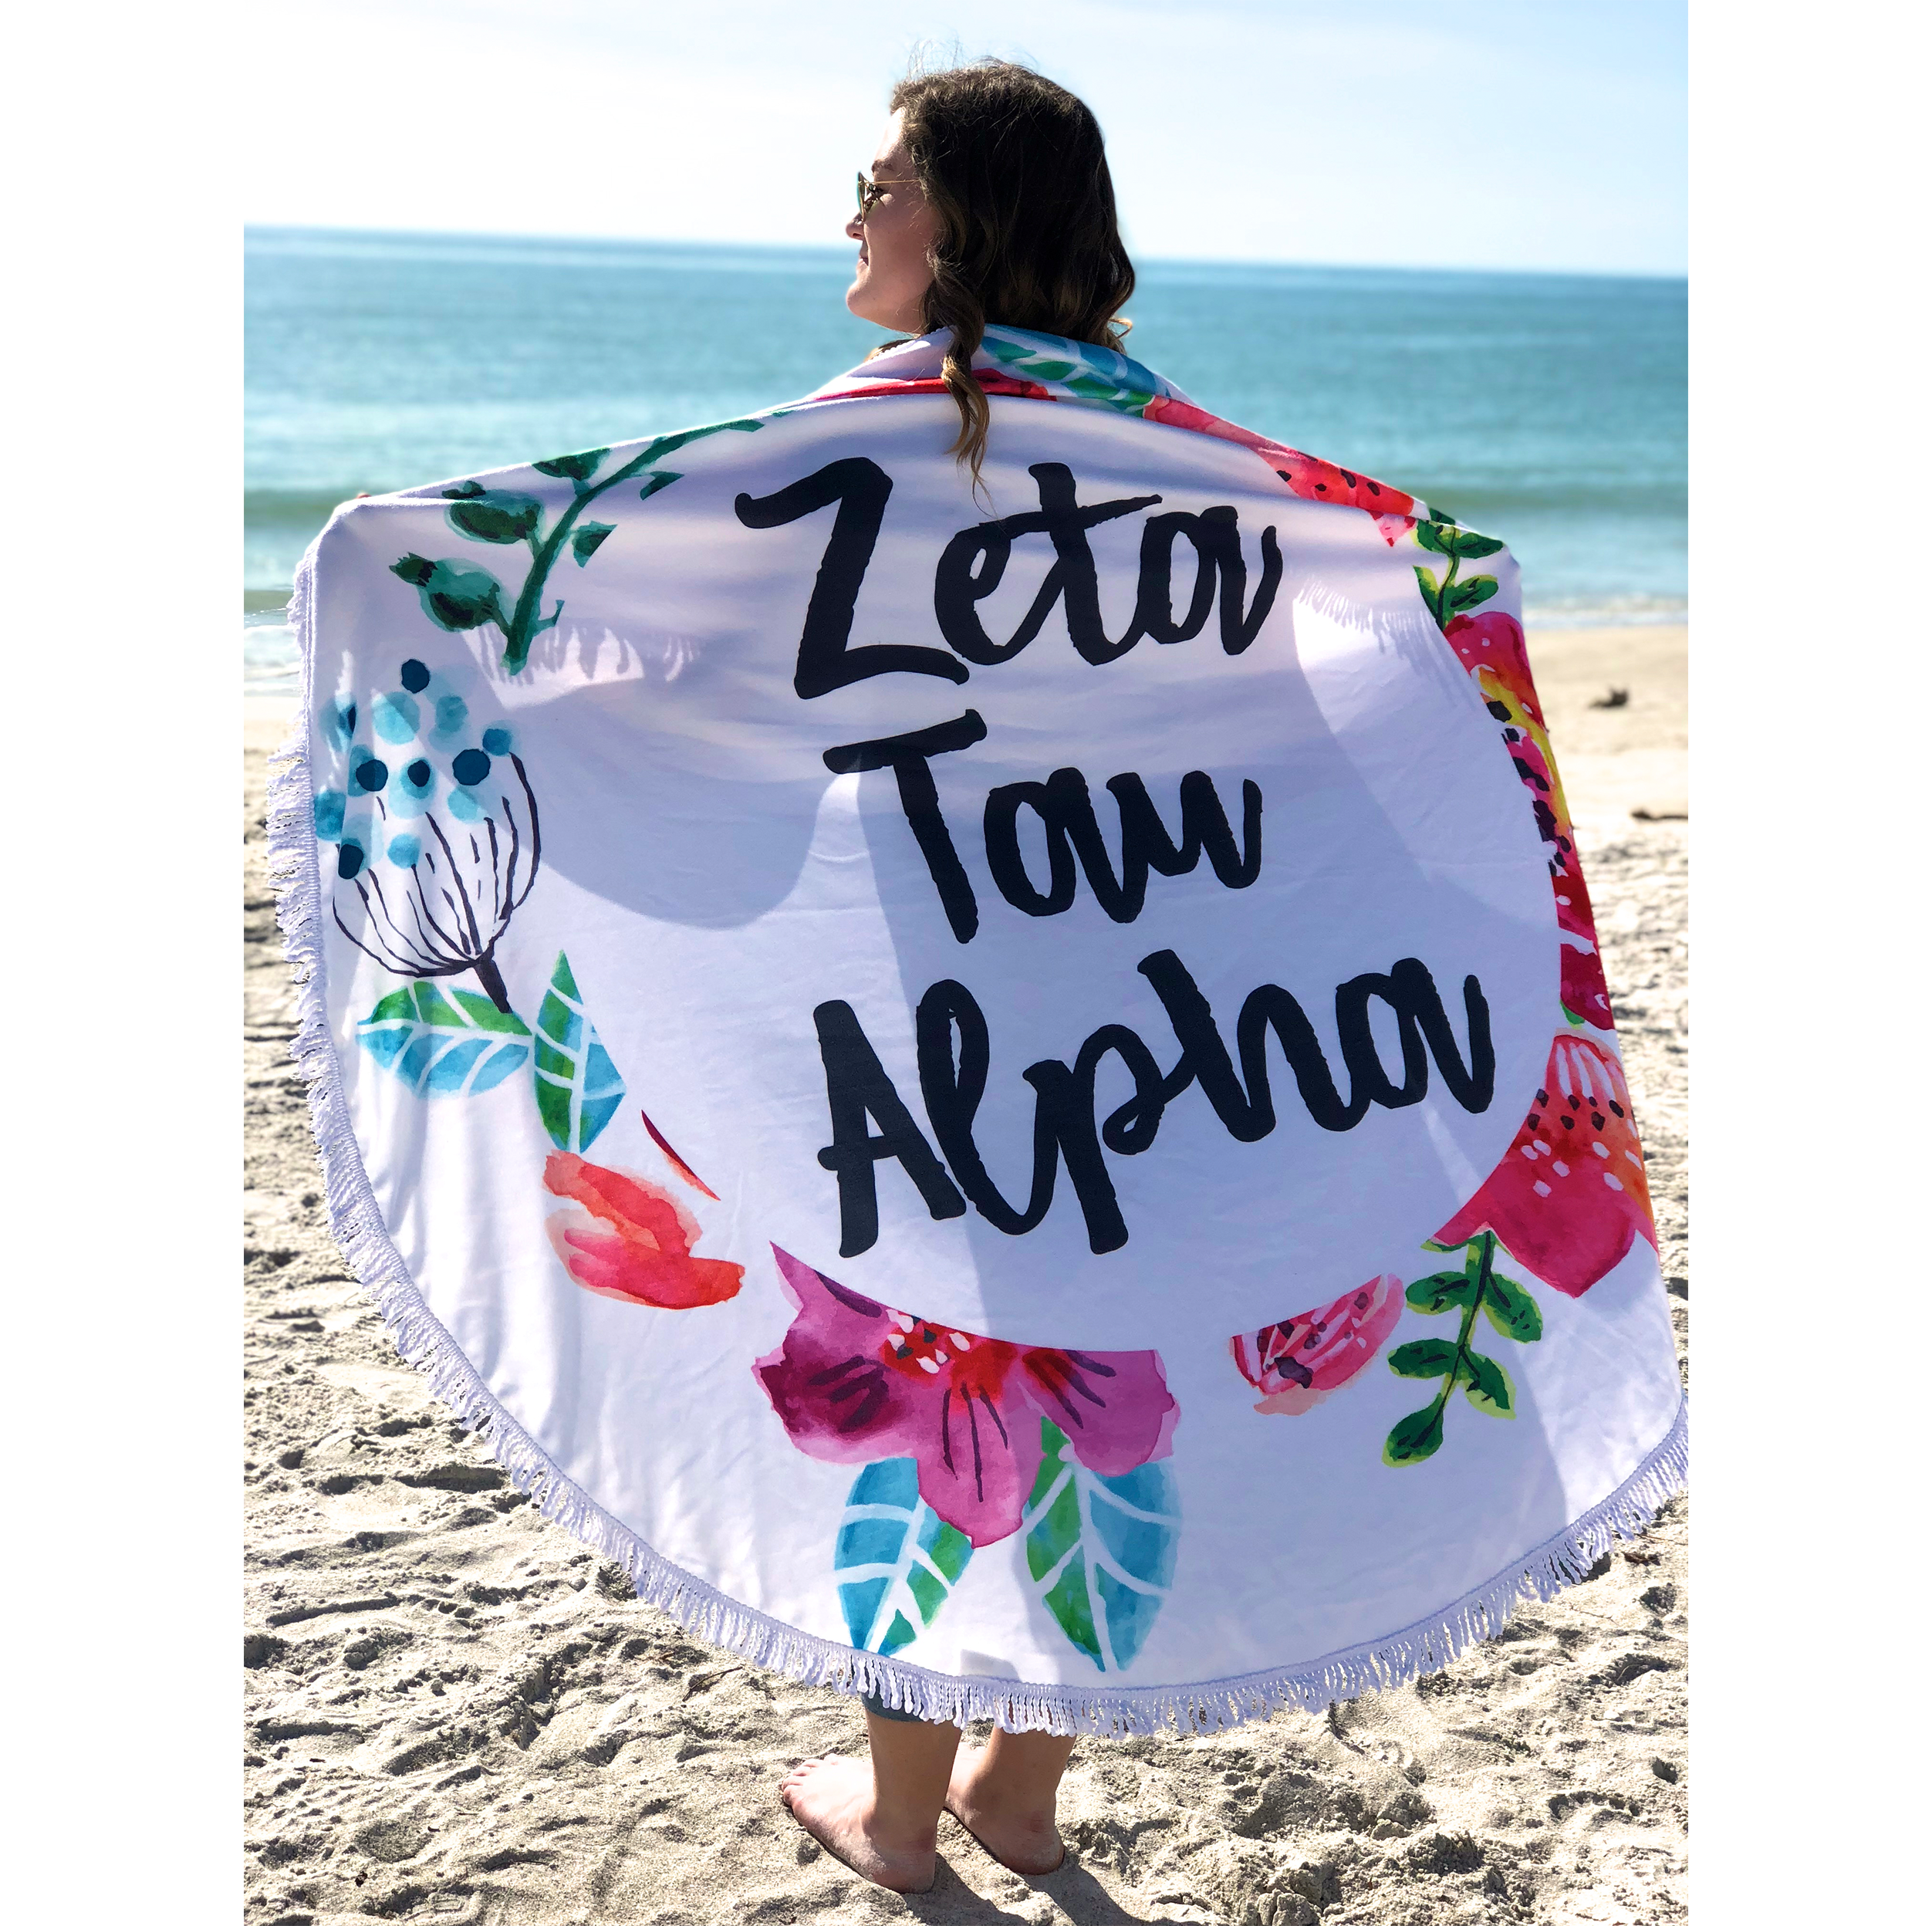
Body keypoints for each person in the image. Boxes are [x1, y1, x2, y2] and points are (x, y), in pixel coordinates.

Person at [774, 59, 1132, 1895]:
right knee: (1106, 1390)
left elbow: (665, 636)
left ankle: (901, 1820)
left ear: (965, 216)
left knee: (934, 1407)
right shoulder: (1171, 443)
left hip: (926, 1023)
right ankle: (1020, 1793)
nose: (851, 214)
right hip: (1152, 1017)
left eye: (881, 182)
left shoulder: (864, 433)